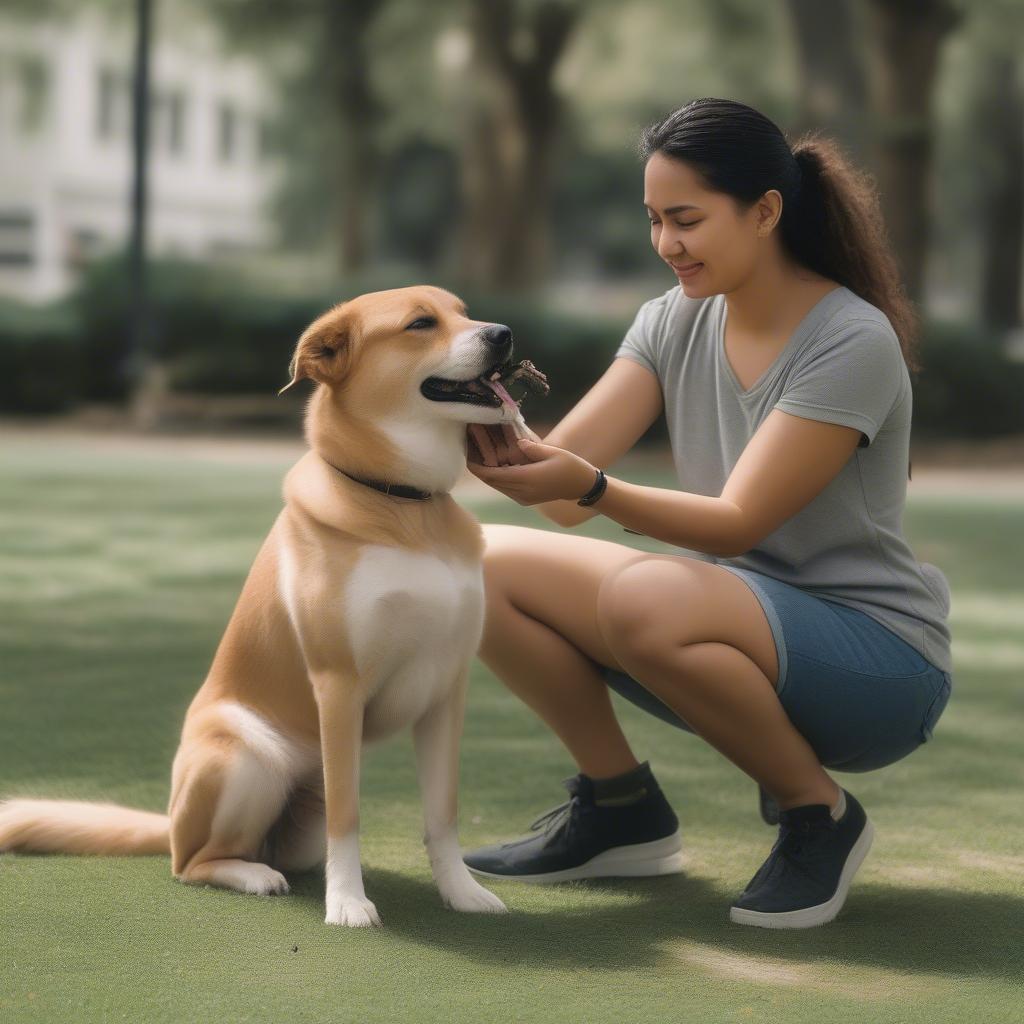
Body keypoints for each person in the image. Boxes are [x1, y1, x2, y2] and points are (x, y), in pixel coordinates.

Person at [460, 98, 953, 930]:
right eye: (654, 220)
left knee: (648, 597)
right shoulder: (671, 318)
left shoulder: (850, 339)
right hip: (726, 625)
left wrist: (591, 488)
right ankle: (621, 810)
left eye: (686, 220)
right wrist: (488, 426)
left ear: (765, 211)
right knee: (475, 562)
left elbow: (733, 524)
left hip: (878, 662)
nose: (666, 245)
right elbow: (564, 493)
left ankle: (817, 814)